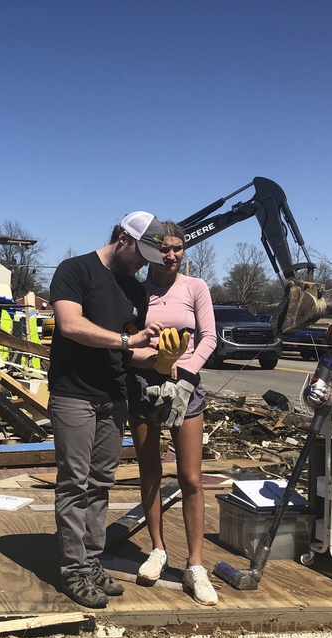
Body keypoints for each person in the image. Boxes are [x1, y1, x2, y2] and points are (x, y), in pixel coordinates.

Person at [48, 212, 165, 609]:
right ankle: (72, 569)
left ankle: (91, 561)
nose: (144, 263)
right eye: (141, 253)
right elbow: (70, 325)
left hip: (113, 397)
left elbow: (129, 353)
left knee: (100, 483)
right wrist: (127, 340)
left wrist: (161, 358)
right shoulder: (75, 270)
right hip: (74, 395)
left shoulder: (135, 290)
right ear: (121, 238)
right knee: (74, 483)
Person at [126, 221, 219, 605]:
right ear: (150, 250)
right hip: (143, 387)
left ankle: (195, 566)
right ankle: (158, 550)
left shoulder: (194, 288)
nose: (171, 255)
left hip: (185, 388)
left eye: (177, 248)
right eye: (163, 248)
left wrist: (186, 368)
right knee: (149, 468)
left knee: (191, 477)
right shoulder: (134, 290)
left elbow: (210, 337)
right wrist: (153, 359)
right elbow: (125, 341)